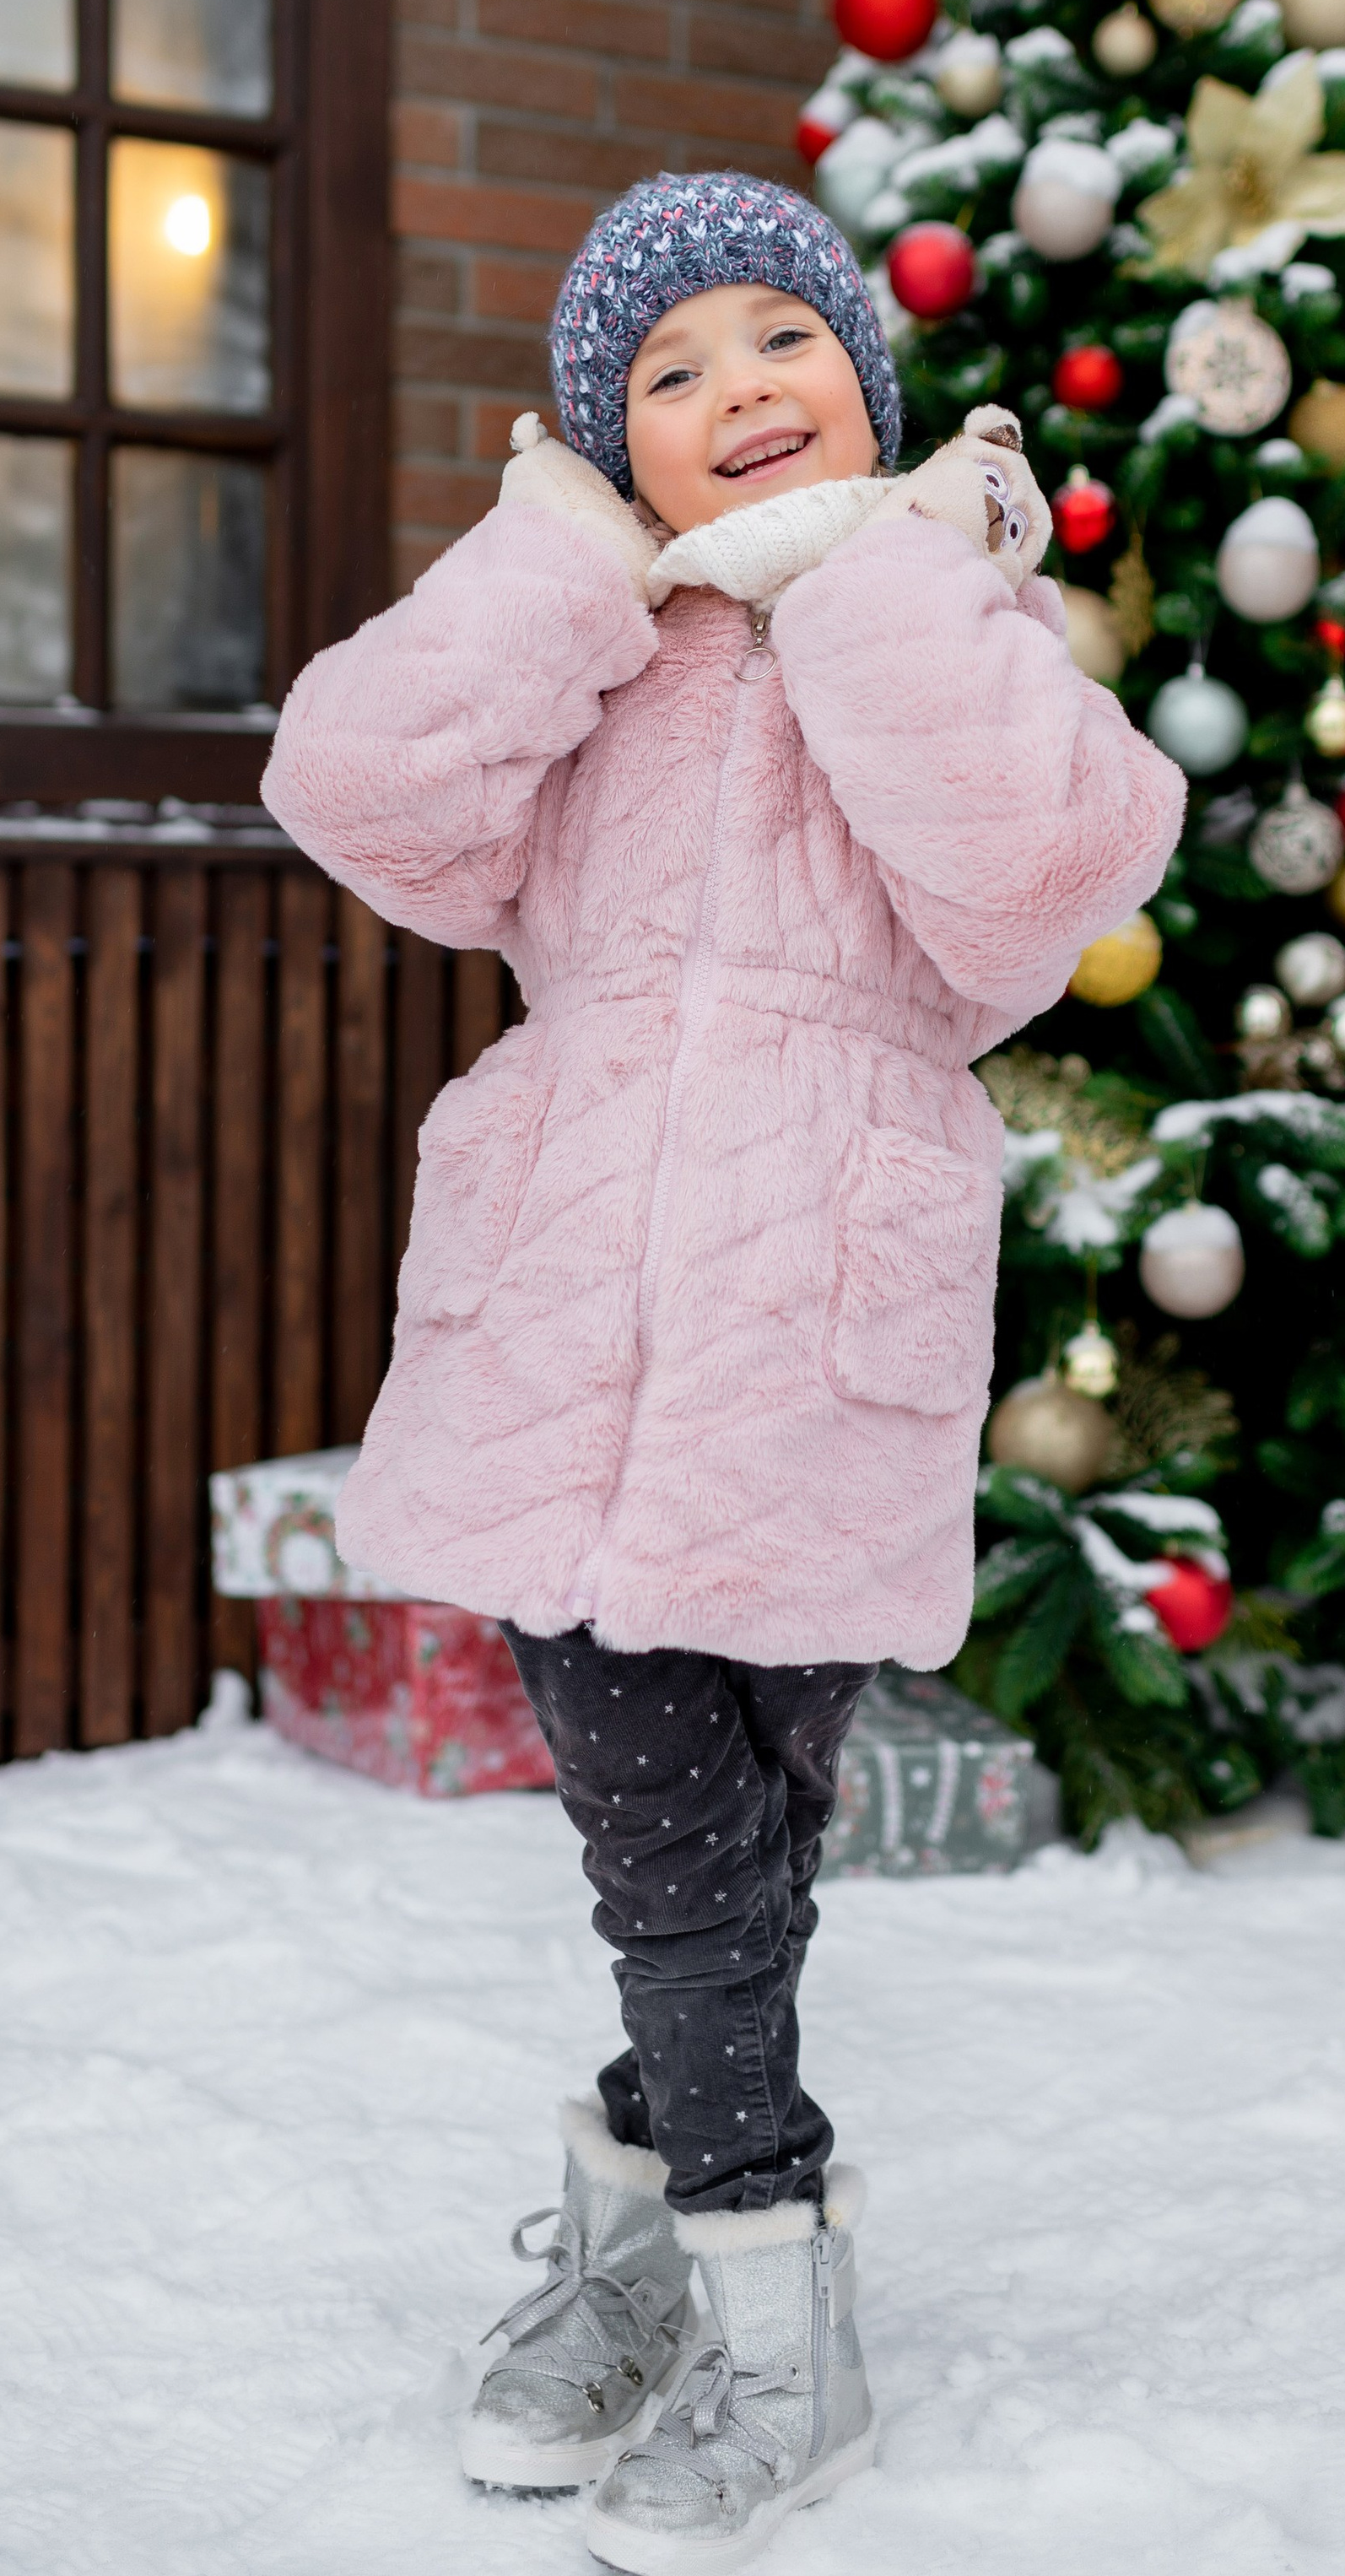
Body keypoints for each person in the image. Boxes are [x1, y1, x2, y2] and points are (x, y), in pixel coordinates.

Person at [262, 170, 1184, 2568]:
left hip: (814, 1331)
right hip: (570, 1323)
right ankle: (786, 2313)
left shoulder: (953, 622)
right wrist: (563, 572)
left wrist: (874, 576)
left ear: (860, 384)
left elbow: (1046, 871)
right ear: (607, 451)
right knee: (667, 1844)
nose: (728, 388)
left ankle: (644, 2256)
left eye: (777, 338)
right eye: (660, 377)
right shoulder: (596, 651)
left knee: (740, 1850)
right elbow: (352, 788)